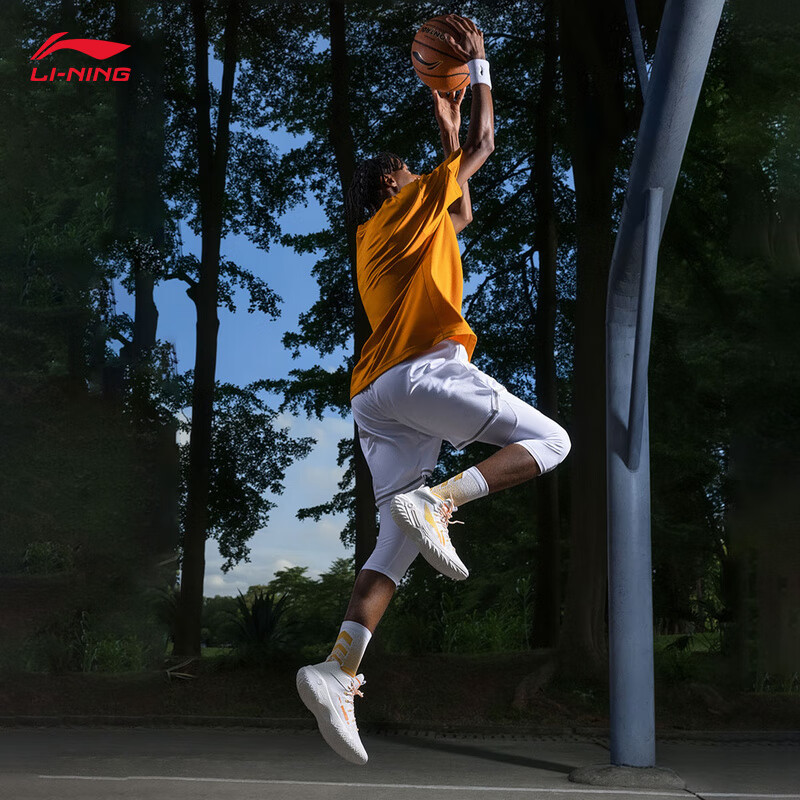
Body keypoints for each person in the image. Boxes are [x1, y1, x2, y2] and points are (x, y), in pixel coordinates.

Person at [296, 14, 570, 765]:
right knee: (551, 441)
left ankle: (338, 669)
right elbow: (484, 148)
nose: (426, 178)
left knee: (393, 544)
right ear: (394, 184)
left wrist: (445, 136)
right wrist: (477, 70)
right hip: (423, 372)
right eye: (414, 173)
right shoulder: (403, 208)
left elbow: (463, 207)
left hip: (375, 400)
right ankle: (443, 500)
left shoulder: (388, 232)